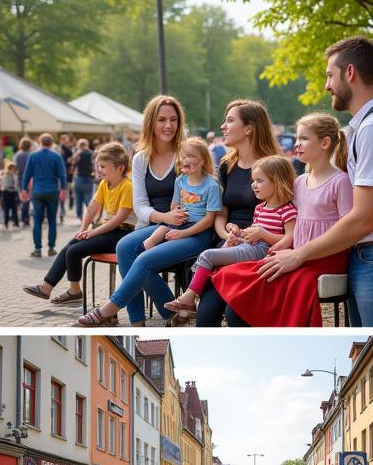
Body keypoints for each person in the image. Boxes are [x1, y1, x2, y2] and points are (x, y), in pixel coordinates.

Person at [253, 37, 373, 327]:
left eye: (330, 75)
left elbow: (362, 219)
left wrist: (298, 255)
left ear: (350, 73)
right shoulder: (371, 125)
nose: (326, 85)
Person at [222, 114, 354, 326]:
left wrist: (297, 253)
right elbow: (284, 220)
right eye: (297, 139)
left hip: (325, 258)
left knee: (275, 279)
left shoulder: (340, 181)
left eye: (303, 139)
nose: (296, 144)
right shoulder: (300, 182)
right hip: (297, 254)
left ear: (325, 143)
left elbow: (348, 228)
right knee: (243, 279)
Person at [78, 137, 220, 327]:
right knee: (131, 250)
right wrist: (166, 224)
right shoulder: (180, 181)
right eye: (184, 156)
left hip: (197, 235)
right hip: (174, 227)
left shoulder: (211, 185)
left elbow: (209, 220)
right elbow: (174, 209)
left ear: (203, 160)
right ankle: (152, 318)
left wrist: (182, 234)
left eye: (192, 156)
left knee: (143, 260)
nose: (186, 160)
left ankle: (110, 308)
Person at [165, 154, 297, 322]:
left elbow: (290, 238)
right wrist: (237, 231)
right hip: (250, 246)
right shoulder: (260, 208)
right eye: (253, 180)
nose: (253, 185)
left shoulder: (287, 210)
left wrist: (263, 235)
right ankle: (191, 300)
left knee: (207, 256)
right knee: (202, 263)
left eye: (260, 181)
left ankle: (190, 298)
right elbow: (254, 230)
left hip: (262, 251)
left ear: (277, 182)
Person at [22, 141, 134, 307]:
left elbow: (119, 219)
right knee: (72, 245)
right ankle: (49, 287)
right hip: (110, 231)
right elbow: (91, 208)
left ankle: (73, 292)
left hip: (124, 235)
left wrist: (91, 233)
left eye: (103, 166)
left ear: (119, 168)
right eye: (98, 166)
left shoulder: (127, 186)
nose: (99, 170)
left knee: (74, 251)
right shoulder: (104, 184)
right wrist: (82, 230)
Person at [20, 133, 68, 258]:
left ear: (40, 142)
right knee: (52, 220)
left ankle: (37, 249)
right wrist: (63, 189)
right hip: (52, 191)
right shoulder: (56, 156)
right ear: (52, 143)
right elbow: (62, 174)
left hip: (37, 191)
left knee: (37, 221)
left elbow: (27, 174)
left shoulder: (33, 155)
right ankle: (51, 248)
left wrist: (24, 189)